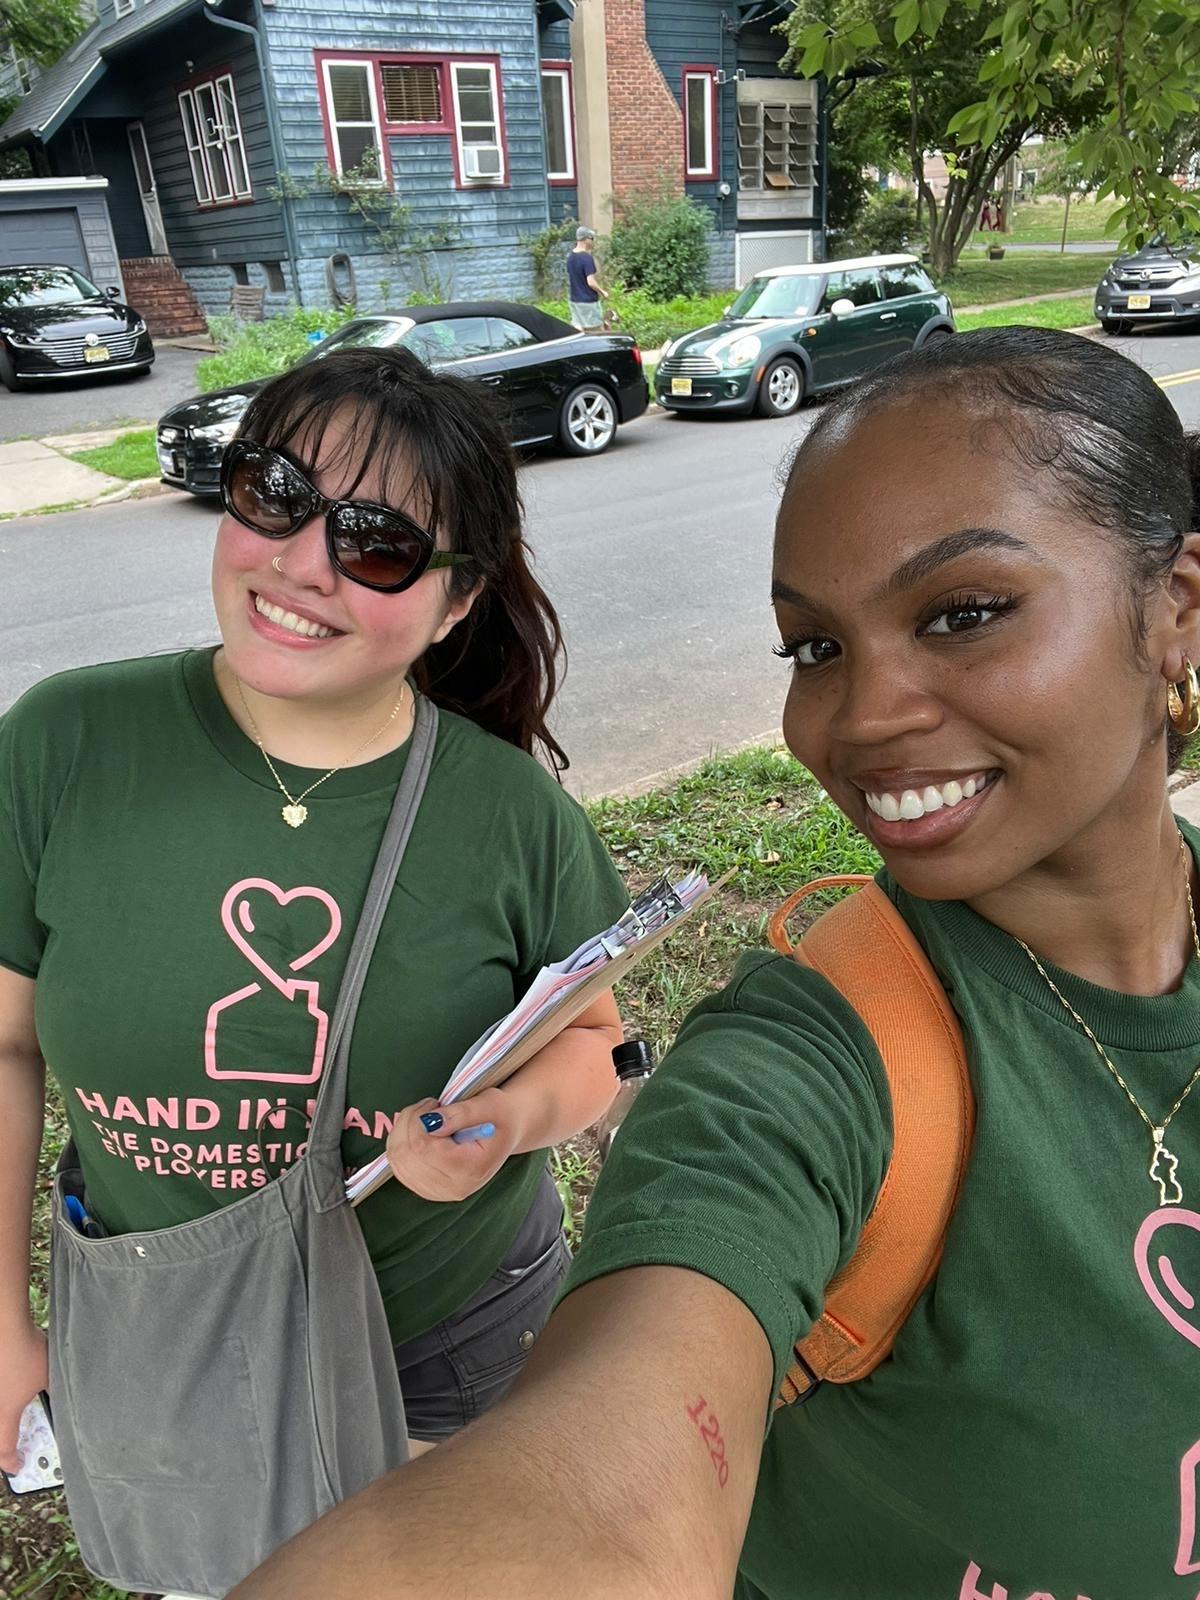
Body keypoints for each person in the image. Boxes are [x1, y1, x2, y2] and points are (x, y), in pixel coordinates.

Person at [232, 326, 1200, 1600]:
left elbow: (584, 1043)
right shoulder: (809, 1061)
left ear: (1178, 608)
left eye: (964, 614)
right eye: (815, 647)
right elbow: (601, 1481)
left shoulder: (504, 812)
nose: (857, 718)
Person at [0, 348, 629, 1514]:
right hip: (173, 1334)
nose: (299, 564)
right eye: (276, 495)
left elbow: (600, 1043)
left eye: (378, 541)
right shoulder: (64, 743)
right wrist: (0, 1322)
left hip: (448, 1348)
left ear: (457, 599)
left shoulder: (508, 813)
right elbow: (2, 1045)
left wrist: (505, 1121)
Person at [566, 225, 609, 331]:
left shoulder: (570, 257)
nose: (592, 242)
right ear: (586, 239)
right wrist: (603, 292)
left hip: (574, 301)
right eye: (592, 239)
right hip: (588, 302)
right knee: (597, 330)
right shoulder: (587, 258)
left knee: (578, 330)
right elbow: (591, 282)